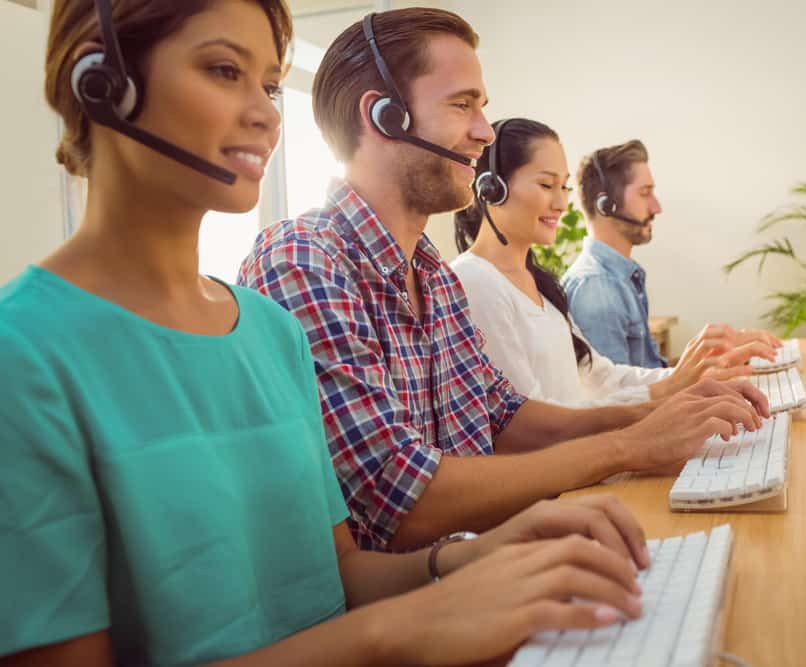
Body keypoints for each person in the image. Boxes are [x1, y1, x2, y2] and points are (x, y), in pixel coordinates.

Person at [0, 2, 668, 664]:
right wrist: (412, 622)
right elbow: (378, 578)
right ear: (101, 80)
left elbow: (339, 578)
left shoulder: (267, 332)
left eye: (267, 84)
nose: (267, 115)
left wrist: (492, 551)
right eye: (224, 69)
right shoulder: (23, 353)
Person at [238, 8, 768, 553]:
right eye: (462, 104)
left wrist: (657, 413)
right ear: (384, 117)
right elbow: (400, 499)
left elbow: (500, 415)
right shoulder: (306, 260)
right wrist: (629, 445)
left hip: (486, 567)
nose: (483, 132)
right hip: (422, 604)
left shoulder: (433, 276)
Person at [452, 118, 776, 409]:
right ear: (492, 189)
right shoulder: (476, 281)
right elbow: (531, 423)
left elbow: (603, 377)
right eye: (547, 185)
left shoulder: (537, 281)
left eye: (563, 186)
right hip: (569, 468)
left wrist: (693, 375)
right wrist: (671, 389)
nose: (562, 203)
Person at [562, 139, 783, 368]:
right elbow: (618, 399)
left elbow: (649, 378)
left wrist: (720, 355)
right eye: (645, 193)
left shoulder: (619, 278)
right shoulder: (598, 288)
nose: (656, 207)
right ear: (606, 205)